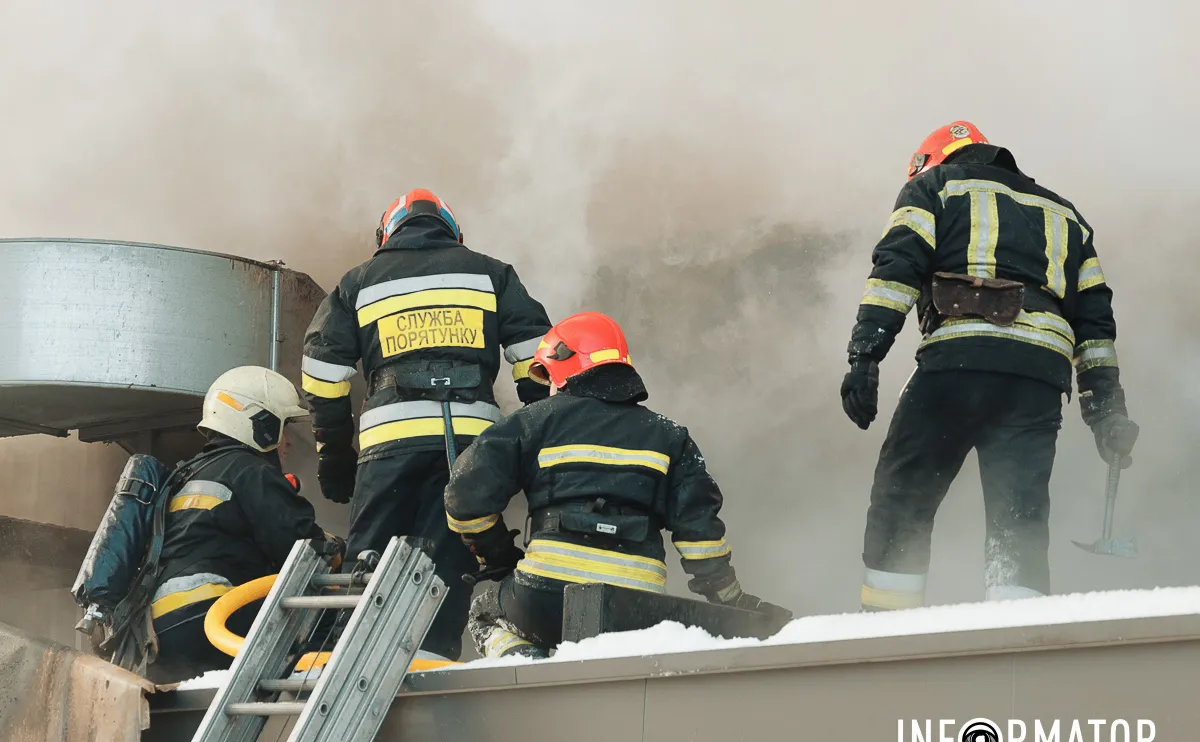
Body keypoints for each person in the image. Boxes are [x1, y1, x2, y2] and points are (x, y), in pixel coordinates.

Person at [840, 121, 1139, 611]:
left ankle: (885, 630)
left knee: (904, 498)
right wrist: (1106, 411)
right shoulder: (1066, 215)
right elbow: (1095, 325)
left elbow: (896, 268)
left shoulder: (932, 187)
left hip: (958, 361)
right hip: (1037, 380)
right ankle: (1014, 640)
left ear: (933, 160)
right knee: (1018, 517)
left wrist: (865, 354)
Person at [443, 311, 790, 659]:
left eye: (549, 376)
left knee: (485, 614)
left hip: (547, 594)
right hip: (639, 608)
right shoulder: (669, 435)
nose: (549, 387)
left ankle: (534, 675)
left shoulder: (534, 422)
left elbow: (464, 498)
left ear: (565, 365)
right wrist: (731, 598)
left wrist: (497, 553)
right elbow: (700, 536)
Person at [301, 189, 552, 659]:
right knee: (448, 561)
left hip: (387, 450)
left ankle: (352, 658)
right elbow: (536, 353)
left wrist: (333, 452)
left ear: (386, 234)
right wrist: (532, 430)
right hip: (470, 448)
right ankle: (431, 662)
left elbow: (324, 372)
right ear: (454, 232)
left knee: (369, 562)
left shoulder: (358, 282)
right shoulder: (492, 274)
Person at [148, 366, 333, 684]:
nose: (287, 442)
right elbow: (300, 547)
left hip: (161, 633)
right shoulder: (250, 471)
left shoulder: (186, 474)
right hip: (211, 614)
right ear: (258, 424)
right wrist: (335, 548)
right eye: (281, 427)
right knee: (333, 619)